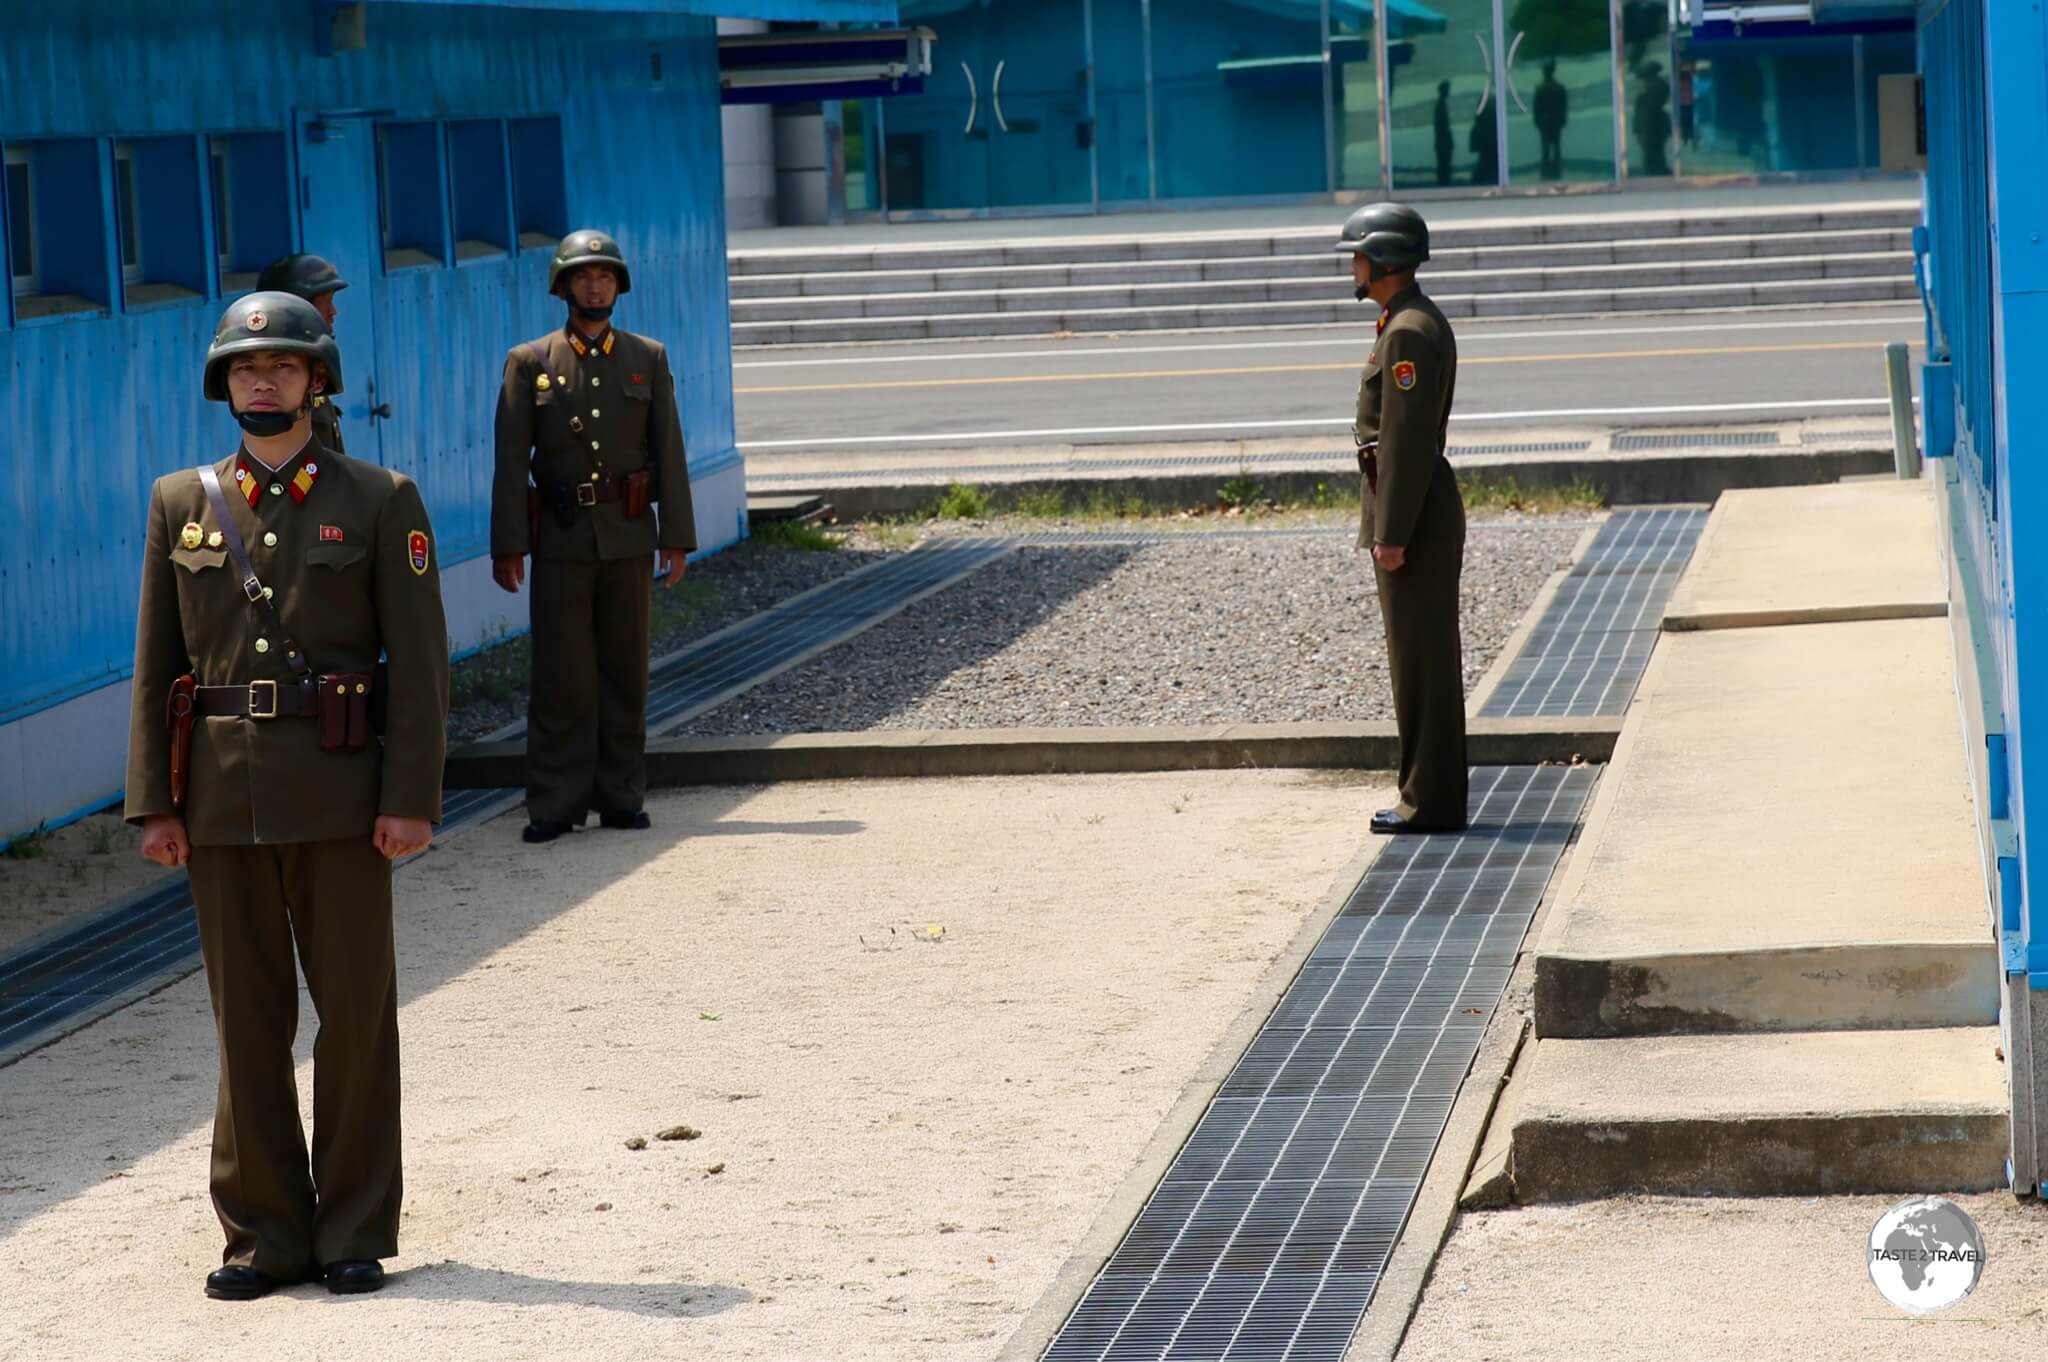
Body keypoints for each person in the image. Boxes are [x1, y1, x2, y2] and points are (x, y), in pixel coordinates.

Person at [124, 291, 450, 1299]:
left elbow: (423, 666)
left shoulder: (379, 497)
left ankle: (352, 1228)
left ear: (318, 381)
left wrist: (410, 798)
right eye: (243, 368)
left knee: (355, 1015)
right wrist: (155, 804)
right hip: (220, 805)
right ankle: (264, 1236)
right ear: (223, 384)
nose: (261, 381)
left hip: (345, 799)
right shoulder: (181, 501)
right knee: (245, 1025)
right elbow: (155, 666)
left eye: (282, 366)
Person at [491, 229, 696, 844]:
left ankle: (621, 795)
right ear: (563, 287)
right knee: (561, 675)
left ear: (619, 285)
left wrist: (677, 537)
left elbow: (670, 451)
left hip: (630, 535)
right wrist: (508, 545)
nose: (595, 284)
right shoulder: (530, 362)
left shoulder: (647, 357)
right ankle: (553, 803)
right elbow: (509, 460)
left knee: (626, 672)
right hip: (560, 536)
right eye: (583, 276)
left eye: (605, 275)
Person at [1334, 204, 1467, 835]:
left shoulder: (1407, 332)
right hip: (1414, 511)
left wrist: (1390, 535)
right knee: (1419, 660)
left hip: (1413, 517)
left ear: (1384, 260)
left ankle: (1429, 802)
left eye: (1358, 255)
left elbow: (1405, 443)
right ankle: (1425, 794)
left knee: (1422, 664)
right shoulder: (1404, 320)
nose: (1353, 267)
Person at [255, 254, 350, 453]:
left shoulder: (308, 365)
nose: (333, 311)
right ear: (298, 308)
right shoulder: (278, 382)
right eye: (326, 301)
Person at [1534, 59, 1569, 181]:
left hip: (1545, 121)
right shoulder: (1559, 88)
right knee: (1556, 147)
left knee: (1545, 148)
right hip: (1555, 121)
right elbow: (1564, 107)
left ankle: (1546, 174)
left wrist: (1537, 121)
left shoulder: (1540, 89)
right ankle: (1556, 172)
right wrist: (1563, 119)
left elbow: (1536, 108)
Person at [1433, 80, 1455, 187]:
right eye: (1448, 89)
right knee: (1444, 164)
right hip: (1443, 142)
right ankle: (1444, 183)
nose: (1449, 92)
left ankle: (1444, 182)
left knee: (1444, 164)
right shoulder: (1440, 106)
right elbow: (1442, 127)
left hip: (1442, 141)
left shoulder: (1441, 105)